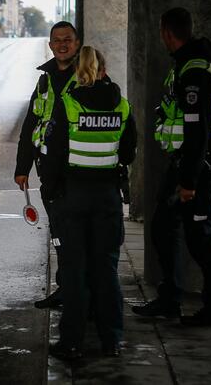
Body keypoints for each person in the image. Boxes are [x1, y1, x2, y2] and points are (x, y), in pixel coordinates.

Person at [132, 7, 211, 326]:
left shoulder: (195, 70)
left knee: (200, 235)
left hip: (196, 163)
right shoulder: (185, 64)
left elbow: (198, 128)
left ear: (166, 32)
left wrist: (189, 181)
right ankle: (170, 298)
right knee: (163, 226)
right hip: (184, 160)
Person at [47, 46, 137, 360]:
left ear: (79, 72)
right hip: (107, 197)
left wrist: (52, 192)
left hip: (74, 196)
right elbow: (127, 154)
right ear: (104, 70)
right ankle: (112, 339)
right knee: (106, 269)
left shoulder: (68, 105)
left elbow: (53, 155)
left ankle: (71, 341)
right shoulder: (122, 106)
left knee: (75, 270)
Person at [15, 21, 80, 310]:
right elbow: (31, 124)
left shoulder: (88, 75)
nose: (63, 44)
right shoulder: (44, 81)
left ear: (77, 44)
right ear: (51, 45)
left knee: (77, 236)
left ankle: (79, 291)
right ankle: (66, 287)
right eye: (57, 40)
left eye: (68, 39)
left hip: (79, 171)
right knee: (58, 234)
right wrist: (22, 167)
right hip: (50, 173)